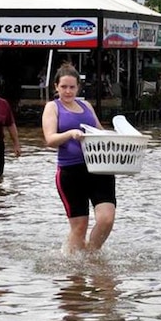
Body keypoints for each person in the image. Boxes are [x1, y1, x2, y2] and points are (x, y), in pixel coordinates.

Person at [42, 63, 116, 252]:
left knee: (106, 219)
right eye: (64, 87)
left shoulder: (87, 106)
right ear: (56, 87)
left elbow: (101, 133)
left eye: (72, 87)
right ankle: (75, 273)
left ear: (78, 87)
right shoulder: (53, 107)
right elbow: (50, 140)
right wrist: (70, 133)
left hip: (100, 168)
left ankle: (92, 254)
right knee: (80, 226)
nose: (68, 91)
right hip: (70, 172)